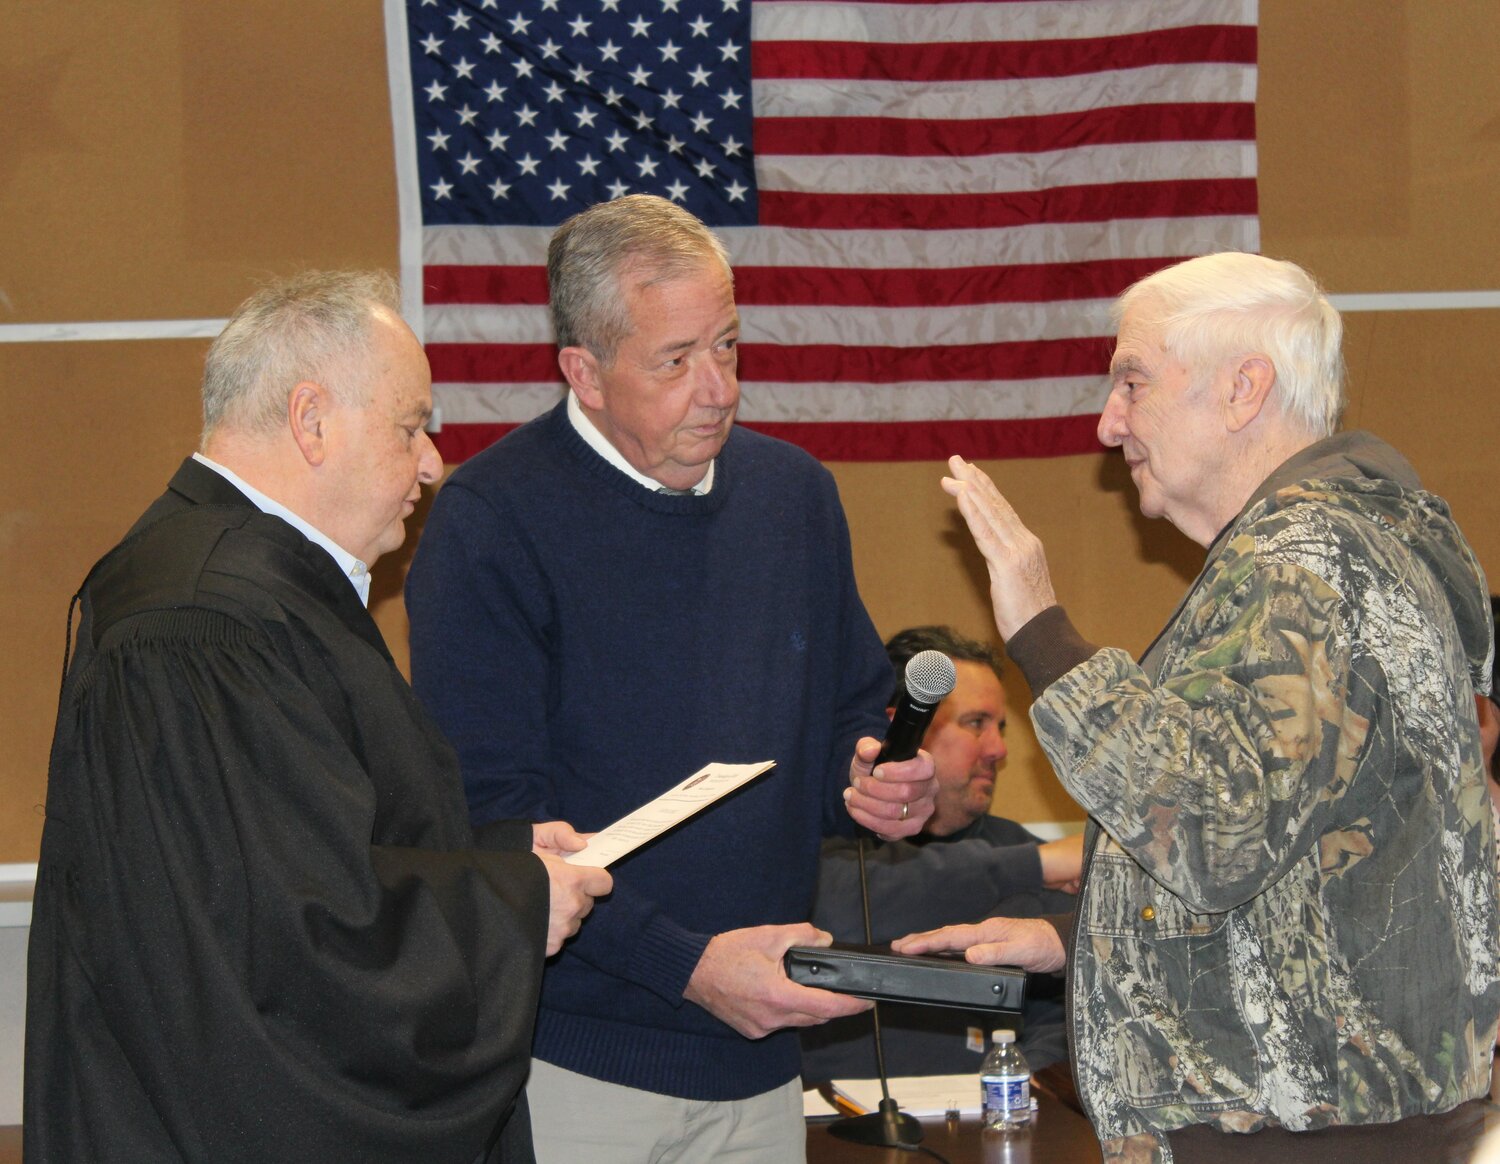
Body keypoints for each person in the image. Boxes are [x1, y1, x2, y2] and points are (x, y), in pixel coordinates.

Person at [895, 252, 1500, 1162]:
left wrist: (1040, 627)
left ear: (1243, 388)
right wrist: (1081, 942)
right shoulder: (1347, 545)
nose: (1109, 424)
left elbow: (1212, 830)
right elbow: (1303, 864)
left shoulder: (1309, 560)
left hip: (1291, 1133)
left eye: (1132, 381)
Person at [24, 271, 612, 1164]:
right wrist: (513, 907)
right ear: (311, 422)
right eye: (411, 426)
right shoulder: (204, 623)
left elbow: (313, 848)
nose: (431, 463)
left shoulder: (240, 587)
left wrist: (495, 861)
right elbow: (288, 945)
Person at [404, 194, 937, 1164]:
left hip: (767, 1046)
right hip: (581, 1066)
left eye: (729, 347)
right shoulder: (491, 521)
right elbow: (489, 824)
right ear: (585, 373)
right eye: (677, 359)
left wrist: (875, 782)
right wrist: (688, 968)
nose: (719, 388)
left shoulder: (793, 497)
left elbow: (845, 721)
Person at [802, 625, 1082, 1081]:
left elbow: (1058, 1013)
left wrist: (1021, 1084)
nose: (999, 750)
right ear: (903, 730)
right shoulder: (830, 843)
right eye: (976, 723)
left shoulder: (1020, 848)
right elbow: (852, 907)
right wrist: (1037, 865)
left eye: (1000, 727)